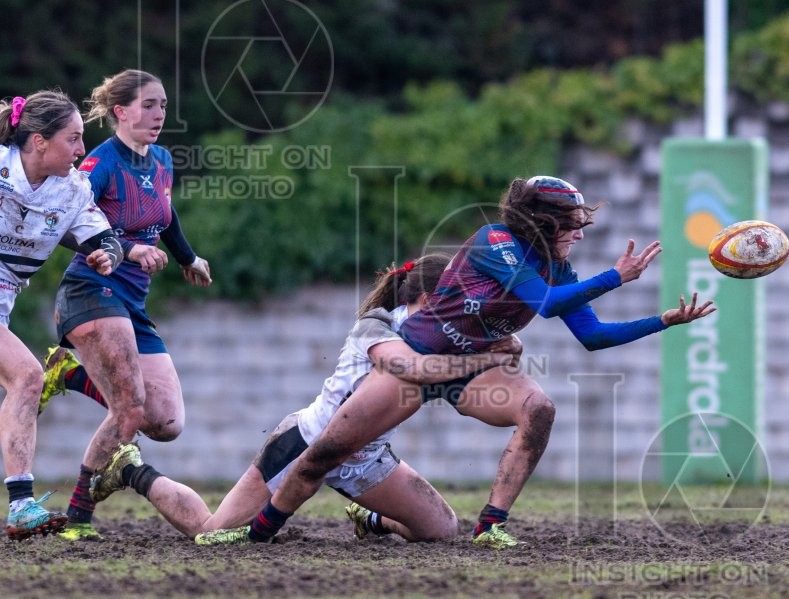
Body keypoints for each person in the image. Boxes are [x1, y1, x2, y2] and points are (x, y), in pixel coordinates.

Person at [242, 175, 717, 549]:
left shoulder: (560, 268)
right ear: (543, 223)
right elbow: (547, 303)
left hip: (474, 364)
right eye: (572, 223)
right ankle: (258, 534)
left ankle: (490, 525)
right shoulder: (496, 241)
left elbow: (593, 336)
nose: (579, 232)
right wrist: (616, 276)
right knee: (324, 455)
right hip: (418, 360)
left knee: (539, 409)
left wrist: (665, 321)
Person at [88, 255, 519, 544]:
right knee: (210, 535)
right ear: (429, 299)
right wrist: (485, 353)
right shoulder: (378, 324)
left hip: (366, 457)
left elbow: (501, 340)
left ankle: (368, 518)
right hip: (307, 443)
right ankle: (133, 471)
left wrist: (501, 341)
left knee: (442, 530)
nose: (464, 309)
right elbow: (412, 370)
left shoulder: (441, 337)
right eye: (456, 299)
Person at [42, 69, 211, 541]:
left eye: (163, 105)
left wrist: (188, 257)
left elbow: (167, 214)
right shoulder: (100, 164)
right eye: (149, 105)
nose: (160, 114)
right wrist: (125, 249)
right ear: (120, 111)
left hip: (133, 303)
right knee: (130, 407)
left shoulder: (160, 160)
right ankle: (76, 519)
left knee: (166, 422)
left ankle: (67, 374)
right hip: (92, 293)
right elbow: (63, 223)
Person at [0, 90, 129, 540]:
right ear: (38, 141)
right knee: (28, 377)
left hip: (5, 296)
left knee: (24, 379)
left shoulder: (72, 189)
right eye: (73, 139)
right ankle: (20, 505)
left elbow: (104, 238)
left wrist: (106, 256)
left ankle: (19, 505)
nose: (80, 150)